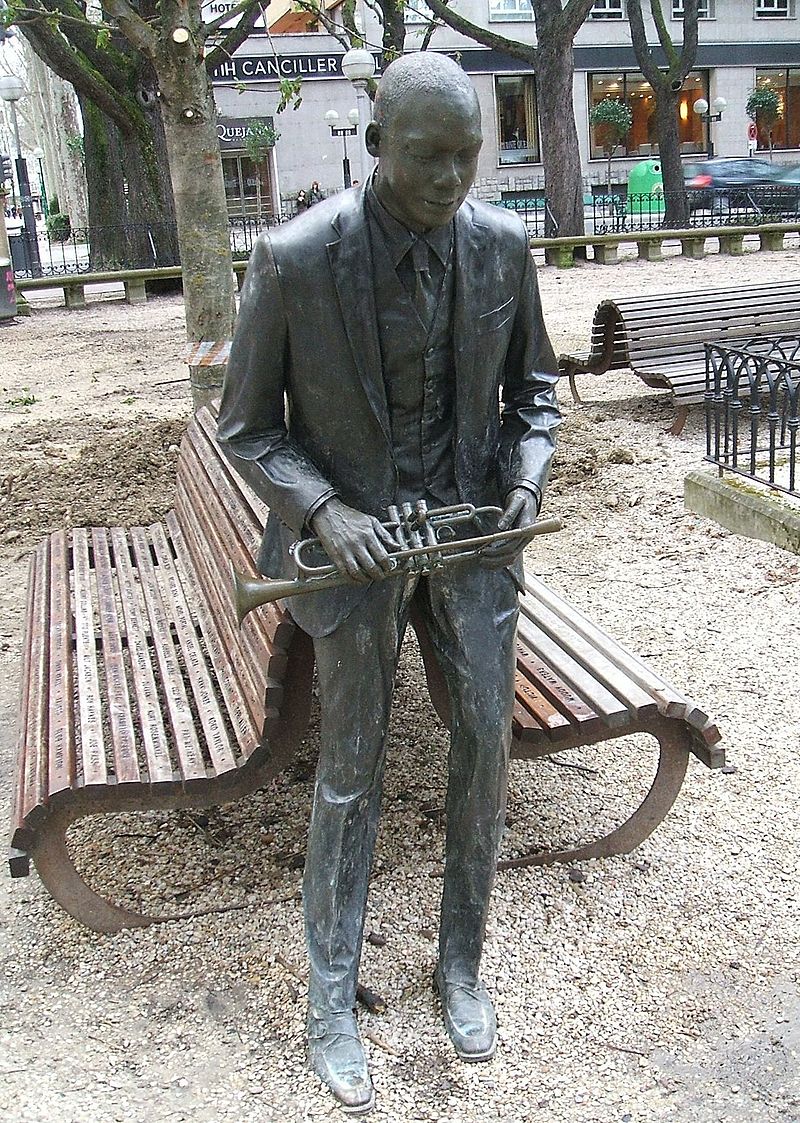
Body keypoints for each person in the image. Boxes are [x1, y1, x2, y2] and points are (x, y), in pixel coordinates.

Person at [217, 52, 560, 1115]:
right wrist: (326, 510)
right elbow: (248, 427)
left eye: (467, 156)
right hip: (350, 553)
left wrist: (523, 478)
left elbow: (536, 395)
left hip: (466, 549)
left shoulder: (503, 249)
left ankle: (459, 968)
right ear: (375, 145)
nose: (450, 177)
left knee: (484, 748)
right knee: (350, 771)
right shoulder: (293, 260)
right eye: (425, 155)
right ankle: (329, 997)